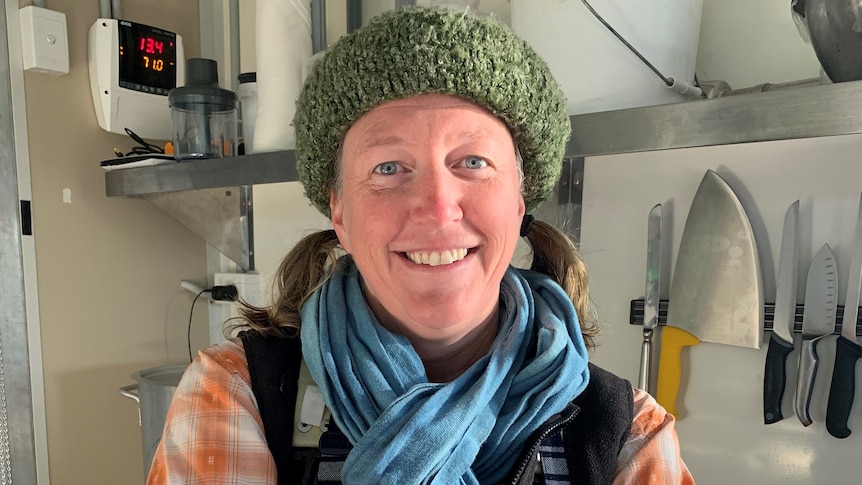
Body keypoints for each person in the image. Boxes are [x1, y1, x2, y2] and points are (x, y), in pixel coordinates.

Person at [147, 6, 693, 485]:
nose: (437, 207)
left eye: (473, 163)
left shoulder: (627, 434)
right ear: (339, 210)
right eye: (388, 168)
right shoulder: (240, 396)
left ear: (520, 200)